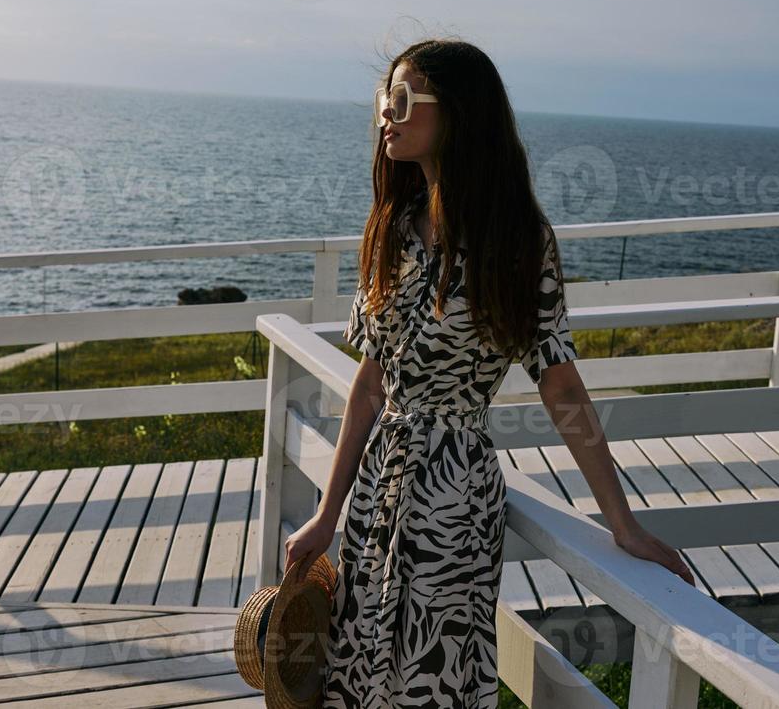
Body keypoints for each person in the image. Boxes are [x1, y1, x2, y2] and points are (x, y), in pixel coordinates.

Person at [285, 38, 694, 709]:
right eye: (383, 102)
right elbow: (370, 381)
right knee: (358, 666)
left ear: (460, 115)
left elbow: (558, 382)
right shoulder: (392, 225)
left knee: (431, 677)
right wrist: (329, 512)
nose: (386, 116)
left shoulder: (517, 240)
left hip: (455, 496)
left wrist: (621, 522)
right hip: (376, 493)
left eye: (403, 101)